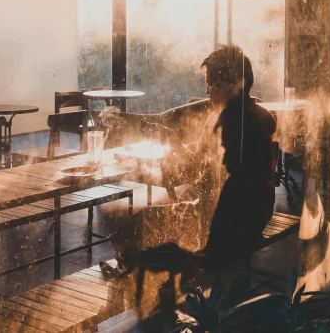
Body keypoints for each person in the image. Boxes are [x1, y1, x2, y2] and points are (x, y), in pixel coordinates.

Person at [101, 45, 277, 278]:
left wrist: (175, 145)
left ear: (226, 86)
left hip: (222, 223)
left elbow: (194, 174)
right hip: (256, 217)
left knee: (132, 225)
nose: (207, 92)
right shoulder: (262, 115)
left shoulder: (225, 121)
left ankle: (129, 271)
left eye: (209, 84)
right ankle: (136, 266)